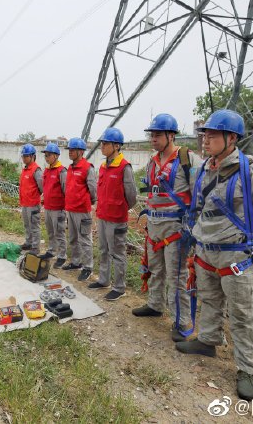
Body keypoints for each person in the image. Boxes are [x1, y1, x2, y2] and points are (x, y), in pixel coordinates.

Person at [175, 109, 253, 401]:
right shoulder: (203, 170)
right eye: (205, 134)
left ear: (232, 138)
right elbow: (199, 207)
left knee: (243, 314)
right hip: (206, 252)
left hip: (237, 257)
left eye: (213, 135)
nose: (206, 140)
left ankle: (248, 369)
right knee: (209, 299)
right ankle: (208, 340)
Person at [132, 114, 201, 342]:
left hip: (175, 228)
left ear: (171, 135)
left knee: (176, 276)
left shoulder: (187, 159)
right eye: (151, 135)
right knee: (155, 269)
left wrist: (194, 226)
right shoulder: (153, 162)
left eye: (158, 135)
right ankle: (155, 304)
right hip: (154, 226)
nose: (153, 138)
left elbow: (200, 193)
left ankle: (181, 322)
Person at [88, 128, 138, 301]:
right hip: (103, 216)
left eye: (106, 143)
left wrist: (120, 208)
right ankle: (104, 280)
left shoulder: (124, 167)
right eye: (102, 143)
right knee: (103, 249)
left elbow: (132, 196)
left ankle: (119, 287)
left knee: (117, 253)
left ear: (116, 146)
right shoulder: (103, 166)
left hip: (116, 219)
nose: (102, 146)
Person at [62, 138, 97, 281]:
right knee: (73, 238)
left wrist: (90, 201)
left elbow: (93, 189)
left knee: (85, 239)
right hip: (70, 209)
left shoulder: (88, 168)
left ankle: (88, 267)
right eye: (69, 150)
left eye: (73, 150)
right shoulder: (70, 168)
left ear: (81, 152)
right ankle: (76, 262)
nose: (70, 152)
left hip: (82, 211)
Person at [40, 143, 67, 267]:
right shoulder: (47, 170)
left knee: (59, 233)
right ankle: (51, 251)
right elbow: (45, 186)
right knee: (50, 231)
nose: (46, 157)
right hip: (48, 207)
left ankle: (62, 256)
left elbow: (65, 189)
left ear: (56, 156)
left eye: (48, 155)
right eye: (45, 155)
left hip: (58, 208)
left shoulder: (61, 171)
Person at [19, 143, 43, 254]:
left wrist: (35, 195)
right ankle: (28, 243)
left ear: (33, 156)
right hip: (25, 203)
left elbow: (41, 187)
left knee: (34, 226)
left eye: (26, 156)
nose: (24, 158)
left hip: (33, 204)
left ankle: (35, 247)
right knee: (27, 225)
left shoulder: (36, 170)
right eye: (23, 156)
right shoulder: (25, 169)